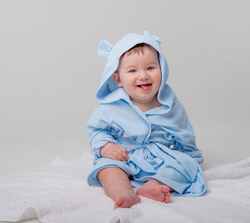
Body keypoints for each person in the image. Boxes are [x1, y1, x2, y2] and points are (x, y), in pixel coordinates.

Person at [87, 31, 206, 209]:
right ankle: (123, 192)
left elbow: (183, 131)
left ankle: (152, 185)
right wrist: (107, 147)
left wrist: (187, 157)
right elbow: (97, 130)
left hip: (161, 157)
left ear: (162, 69)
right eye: (133, 70)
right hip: (125, 155)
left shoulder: (169, 103)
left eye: (150, 68)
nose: (143, 76)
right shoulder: (111, 106)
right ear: (118, 79)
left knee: (186, 168)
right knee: (107, 169)